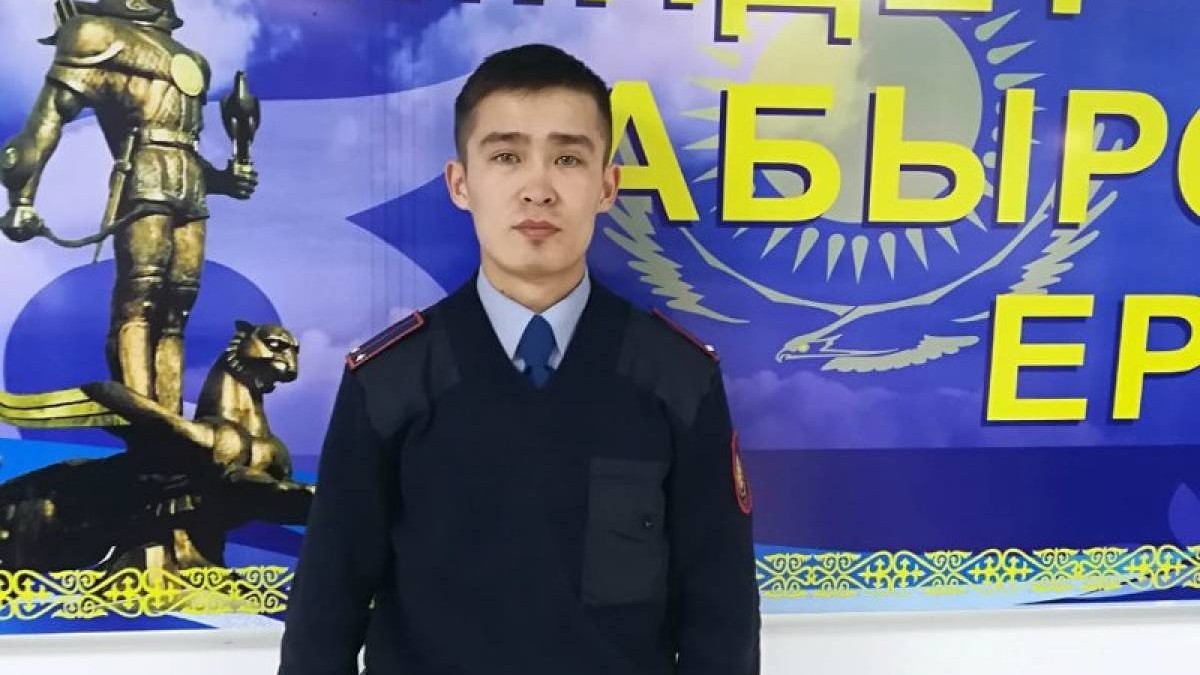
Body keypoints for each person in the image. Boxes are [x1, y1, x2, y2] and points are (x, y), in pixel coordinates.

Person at [278, 43, 760, 675]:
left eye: (568, 158)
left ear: (607, 186)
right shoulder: (390, 382)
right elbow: (323, 619)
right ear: (461, 183)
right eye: (506, 156)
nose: (538, 189)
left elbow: (722, 623)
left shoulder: (677, 379)